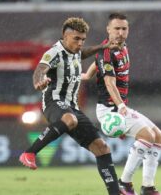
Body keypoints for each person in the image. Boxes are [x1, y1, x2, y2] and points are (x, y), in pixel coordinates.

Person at [19, 17, 124, 195]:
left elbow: (83, 53)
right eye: (76, 39)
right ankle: (29, 153)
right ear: (64, 36)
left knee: (102, 147)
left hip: (72, 107)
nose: (80, 43)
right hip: (53, 102)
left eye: (83, 39)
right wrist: (39, 82)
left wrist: (103, 47)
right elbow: (40, 69)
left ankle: (115, 192)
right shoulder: (54, 52)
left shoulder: (76, 51)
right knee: (70, 119)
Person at [82, 13, 161, 195]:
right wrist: (121, 107)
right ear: (108, 30)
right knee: (147, 136)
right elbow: (110, 83)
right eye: (116, 28)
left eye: (124, 29)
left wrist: (88, 75)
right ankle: (125, 184)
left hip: (119, 106)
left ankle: (148, 187)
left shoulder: (121, 46)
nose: (120, 32)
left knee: (158, 136)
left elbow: (97, 62)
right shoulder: (107, 53)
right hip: (110, 110)